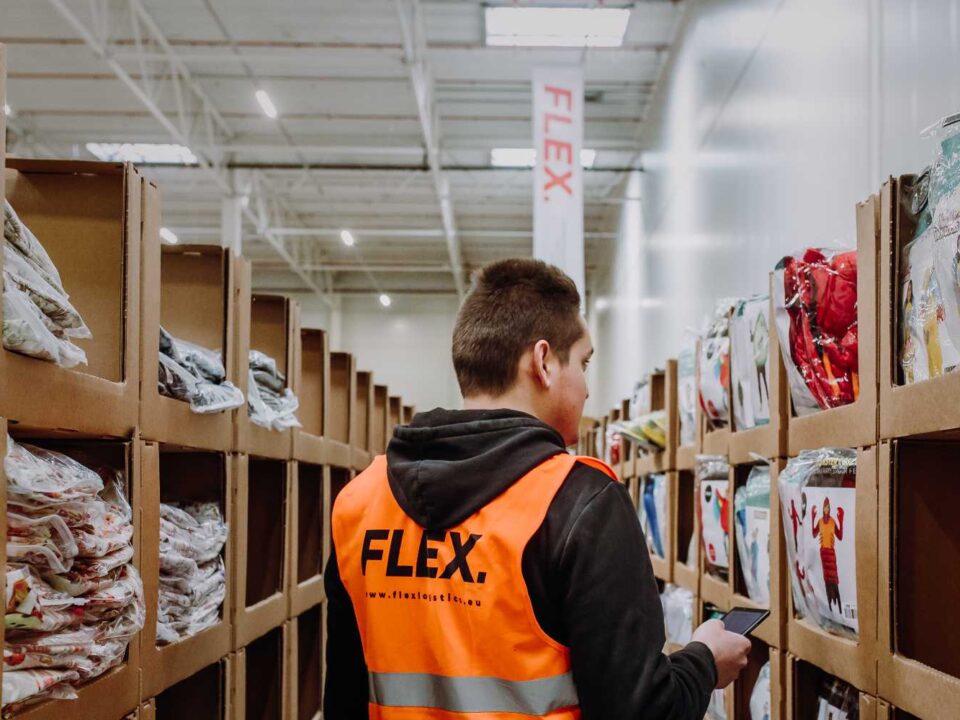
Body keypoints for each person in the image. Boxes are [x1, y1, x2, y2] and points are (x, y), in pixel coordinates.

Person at [324, 258, 751, 719]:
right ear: (543, 362)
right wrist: (704, 661)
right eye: (584, 363)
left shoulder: (361, 501)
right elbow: (641, 710)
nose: (587, 389)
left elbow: (343, 697)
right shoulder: (579, 502)